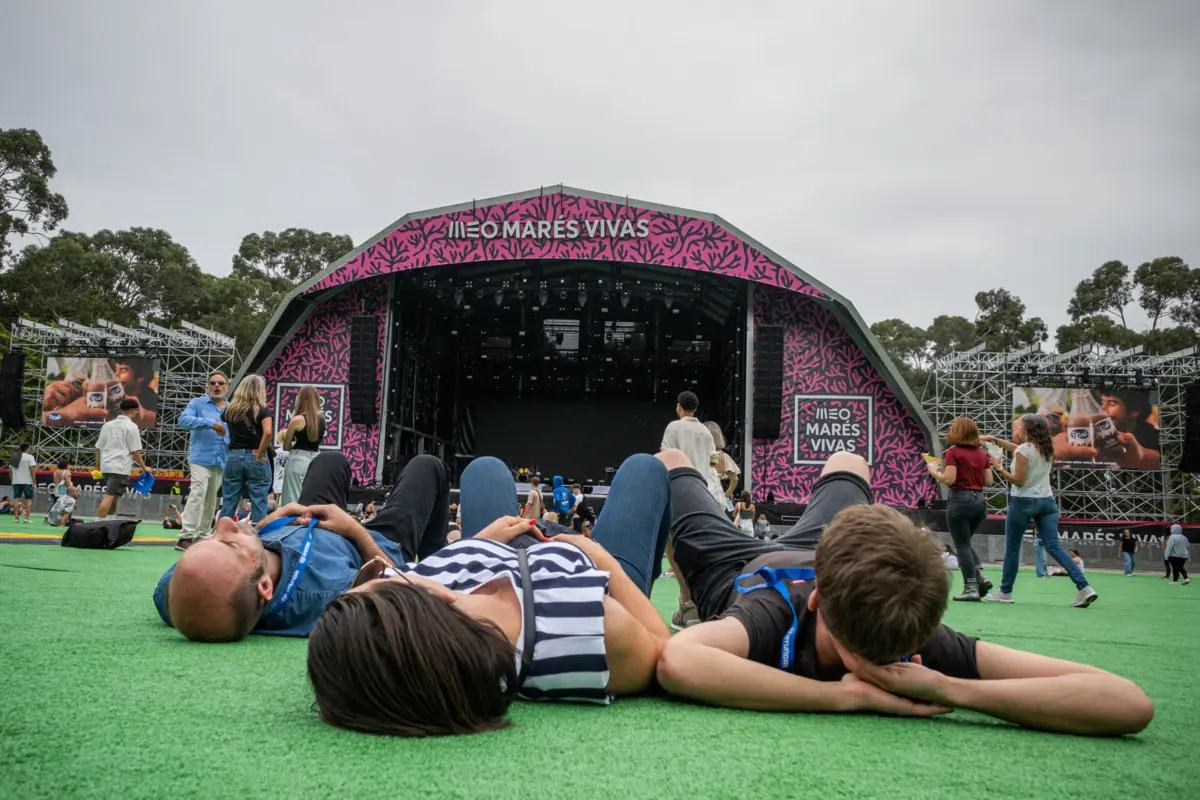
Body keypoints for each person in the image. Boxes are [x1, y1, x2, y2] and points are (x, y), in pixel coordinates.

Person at [654, 476, 1154, 737]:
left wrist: (947, 688)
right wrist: (848, 697)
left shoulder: (787, 612)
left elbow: (1129, 704)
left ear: (818, 598)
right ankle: (689, 600)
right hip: (779, 560)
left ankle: (691, 594)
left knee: (671, 465)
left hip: (743, 564)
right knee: (849, 465)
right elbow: (680, 661)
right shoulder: (910, 632)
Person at [303, 451, 674, 736]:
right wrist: (601, 558)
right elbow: (662, 648)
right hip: (592, 567)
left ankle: (533, 515)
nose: (386, 569)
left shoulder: (416, 627)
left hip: (503, 548)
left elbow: (406, 580)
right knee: (648, 468)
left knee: (484, 469)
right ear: (435, 601)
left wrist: (479, 543)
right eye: (381, 576)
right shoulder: (579, 629)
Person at [983, 415, 1098, 608]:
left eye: (1020, 427)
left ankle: (1005, 592)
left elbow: (1018, 480)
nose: (1018, 430)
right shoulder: (1047, 449)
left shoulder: (1023, 450)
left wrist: (998, 467)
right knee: (1054, 547)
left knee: (1012, 547)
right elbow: (1016, 448)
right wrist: (994, 440)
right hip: (1047, 502)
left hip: (1023, 501)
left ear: (1029, 430)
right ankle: (1084, 587)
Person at [928, 416, 995, 602]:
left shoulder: (953, 452)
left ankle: (971, 587)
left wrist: (934, 471)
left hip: (960, 500)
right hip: (980, 501)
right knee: (966, 543)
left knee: (962, 545)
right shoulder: (982, 454)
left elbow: (949, 479)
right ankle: (980, 576)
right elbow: (989, 481)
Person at [175, 371, 230, 550]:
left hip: (222, 459)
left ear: (227, 387)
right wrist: (210, 423)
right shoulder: (197, 403)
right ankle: (186, 536)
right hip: (200, 457)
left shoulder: (231, 408)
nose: (217, 386)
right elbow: (183, 420)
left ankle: (202, 536)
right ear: (207, 386)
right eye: (213, 383)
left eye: (221, 383)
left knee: (211, 499)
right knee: (198, 493)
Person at [219, 374, 273, 524]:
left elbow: (221, 423)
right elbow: (268, 432)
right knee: (259, 500)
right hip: (255, 456)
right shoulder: (262, 411)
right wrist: (260, 453)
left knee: (229, 500)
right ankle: (257, 537)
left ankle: (223, 535)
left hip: (234, 456)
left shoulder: (230, 411)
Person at [94, 399, 149, 519]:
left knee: (114, 497)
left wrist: (98, 466)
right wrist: (145, 468)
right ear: (133, 411)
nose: (136, 413)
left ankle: (108, 525)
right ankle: (97, 525)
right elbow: (135, 451)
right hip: (120, 467)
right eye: (136, 411)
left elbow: (98, 448)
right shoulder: (131, 426)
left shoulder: (107, 425)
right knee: (109, 496)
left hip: (106, 467)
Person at [660, 391, 716, 505]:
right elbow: (713, 462)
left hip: (679, 488)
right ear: (695, 409)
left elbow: (665, 457)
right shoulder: (706, 431)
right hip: (702, 489)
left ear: (679, 406)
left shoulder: (674, 427)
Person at [280, 386, 325, 506]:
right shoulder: (321, 419)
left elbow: (286, 446)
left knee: (292, 500)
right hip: (315, 460)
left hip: (298, 460)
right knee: (310, 500)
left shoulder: (297, 420)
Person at [1096, 390, 1160, 470]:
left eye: (1112, 403)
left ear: (1135, 410)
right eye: (1103, 402)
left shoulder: (1157, 440)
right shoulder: (1098, 437)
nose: (1102, 409)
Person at [704, 420, 738, 507]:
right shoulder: (723, 456)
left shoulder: (698, 455)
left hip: (702, 494)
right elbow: (734, 478)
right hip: (718, 496)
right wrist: (728, 492)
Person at [8, 444, 35, 524]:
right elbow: (32, 470)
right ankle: (27, 518)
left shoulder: (13, 456)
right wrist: (34, 481)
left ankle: (16, 518)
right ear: (27, 448)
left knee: (16, 499)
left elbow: (9, 470)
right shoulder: (30, 457)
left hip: (16, 481)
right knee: (29, 500)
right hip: (27, 481)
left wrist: (12, 480)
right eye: (30, 448)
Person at [46, 459, 77, 526]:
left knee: (55, 506)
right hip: (64, 491)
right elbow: (68, 482)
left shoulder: (56, 472)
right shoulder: (67, 472)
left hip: (57, 491)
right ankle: (65, 521)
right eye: (68, 464)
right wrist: (72, 490)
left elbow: (55, 482)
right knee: (68, 507)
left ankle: (48, 519)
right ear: (65, 465)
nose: (69, 465)